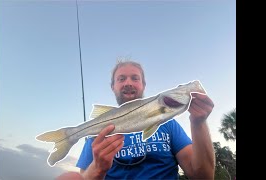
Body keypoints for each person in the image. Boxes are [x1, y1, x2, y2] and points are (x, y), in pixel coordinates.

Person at [58, 59, 215, 180]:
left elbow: (203, 177)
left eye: (135, 78)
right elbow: (85, 177)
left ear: (143, 85)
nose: (128, 83)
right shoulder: (96, 137)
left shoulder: (169, 125)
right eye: (121, 79)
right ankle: (69, 136)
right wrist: (98, 168)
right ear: (112, 86)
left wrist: (198, 123)